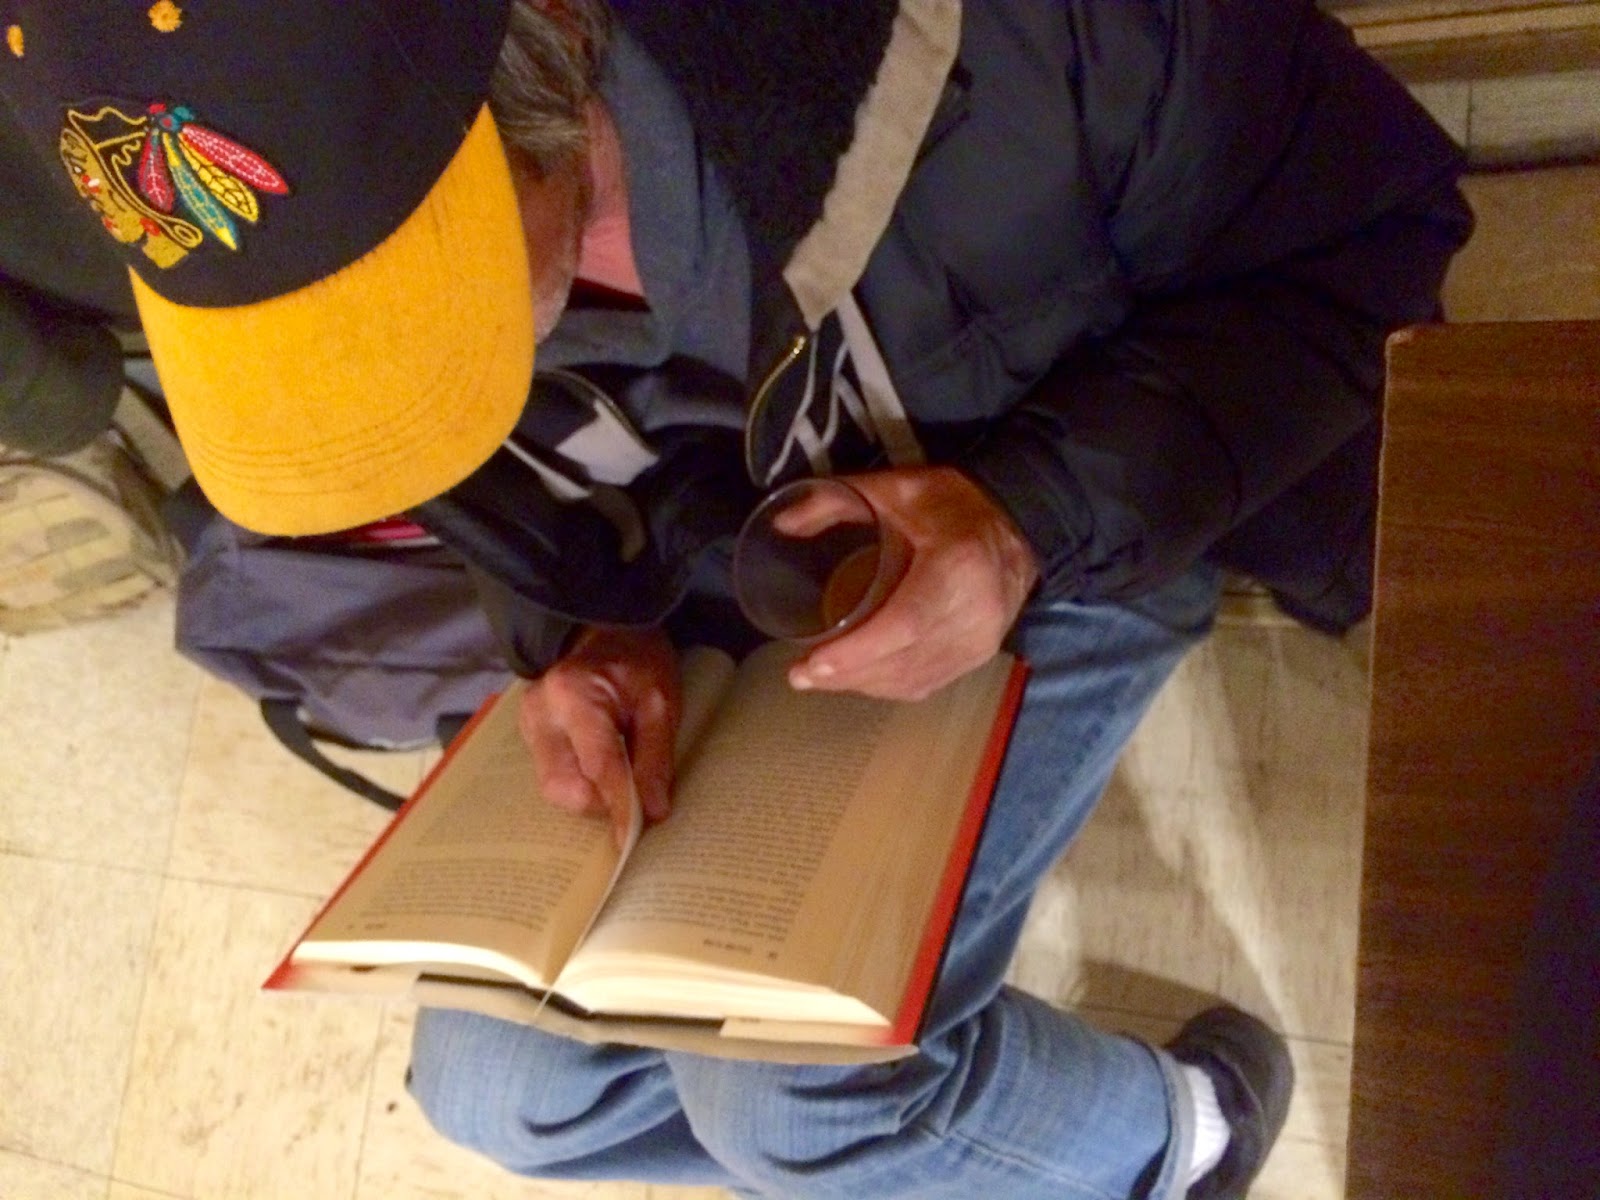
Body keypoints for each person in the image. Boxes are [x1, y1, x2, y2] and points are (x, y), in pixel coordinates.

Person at [1, 1, 1471, 1196]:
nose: (384, 391)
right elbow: (483, 483)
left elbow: (1379, 242)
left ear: (548, 32)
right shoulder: (261, 162)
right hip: (723, 581)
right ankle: (888, 1157)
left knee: (805, 1109)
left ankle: (1176, 1140)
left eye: (408, 304)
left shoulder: (1040, 47)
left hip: (1061, 505)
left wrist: (1022, 523)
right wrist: (571, 630)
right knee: (496, 1091)